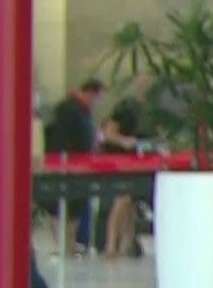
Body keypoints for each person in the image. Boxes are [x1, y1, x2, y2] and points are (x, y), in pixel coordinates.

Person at [47, 78, 105, 252]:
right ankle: (61, 243)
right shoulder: (68, 108)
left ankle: (70, 243)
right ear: (90, 93)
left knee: (76, 206)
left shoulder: (83, 111)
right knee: (60, 205)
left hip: (81, 163)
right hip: (66, 163)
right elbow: (61, 138)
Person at [100, 78, 150, 257]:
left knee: (131, 203)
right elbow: (108, 133)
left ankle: (126, 244)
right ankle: (111, 244)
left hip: (140, 161)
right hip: (122, 161)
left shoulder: (151, 109)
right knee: (122, 200)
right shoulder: (126, 108)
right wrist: (125, 141)